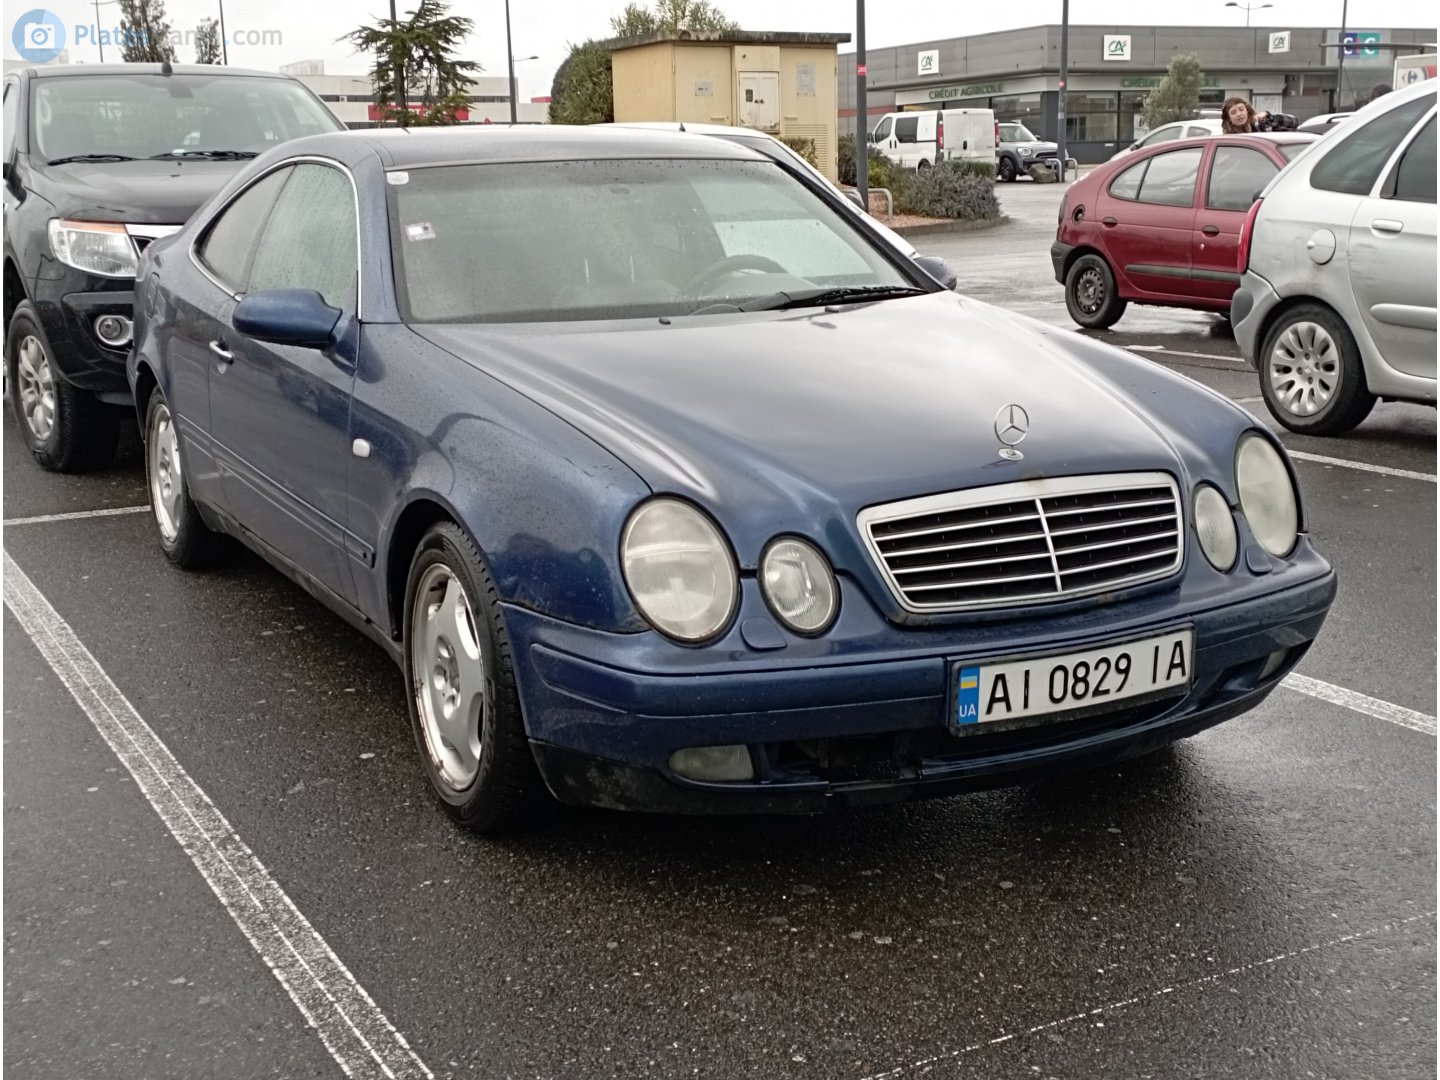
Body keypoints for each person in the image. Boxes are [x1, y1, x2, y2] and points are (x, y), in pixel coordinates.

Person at [1221, 96, 1297, 134]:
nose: (1239, 114)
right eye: (1233, 112)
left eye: (1241, 109)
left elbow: (1294, 122)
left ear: (1247, 110)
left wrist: (1270, 117)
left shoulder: (1261, 125)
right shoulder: (1228, 138)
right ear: (1228, 118)